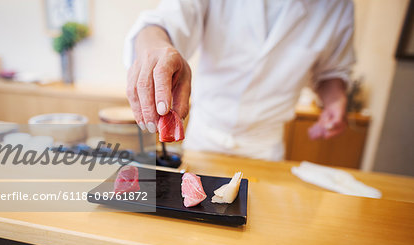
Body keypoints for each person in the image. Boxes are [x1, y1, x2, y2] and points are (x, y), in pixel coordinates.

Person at [124, 0, 355, 161]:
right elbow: (161, 21)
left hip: (264, 146)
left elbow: (331, 70)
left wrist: (335, 99)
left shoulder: (338, 6)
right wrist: (156, 47)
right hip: (204, 138)